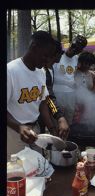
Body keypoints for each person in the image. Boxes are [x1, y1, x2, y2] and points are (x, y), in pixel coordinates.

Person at [7, 31, 69, 161]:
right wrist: (19, 127)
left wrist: (54, 125)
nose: (47, 61)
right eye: (45, 56)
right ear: (34, 47)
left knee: (37, 168)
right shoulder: (10, 71)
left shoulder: (41, 72)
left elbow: (43, 103)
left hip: (35, 131)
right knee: (20, 174)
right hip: (14, 132)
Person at [53, 35, 87, 126]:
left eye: (77, 49)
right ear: (71, 43)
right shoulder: (58, 56)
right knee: (58, 122)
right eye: (73, 46)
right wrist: (67, 83)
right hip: (58, 94)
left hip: (71, 95)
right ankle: (56, 139)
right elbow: (50, 78)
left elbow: (77, 74)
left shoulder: (76, 59)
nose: (74, 49)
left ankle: (65, 140)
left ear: (80, 51)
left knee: (68, 122)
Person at [38, 39, 68, 135]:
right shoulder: (43, 71)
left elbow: (47, 97)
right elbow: (48, 98)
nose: (62, 55)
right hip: (37, 113)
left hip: (45, 110)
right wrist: (59, 116)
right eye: (61, 53)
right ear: (55, 54)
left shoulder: (51, 69)